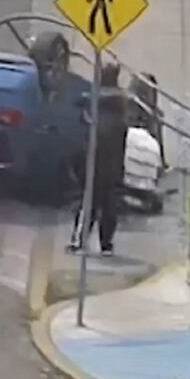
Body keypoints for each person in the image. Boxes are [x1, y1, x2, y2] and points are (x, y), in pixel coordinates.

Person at [70, 63, 128, 256]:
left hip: (93, 162)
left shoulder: (93, 103)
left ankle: (79, 242)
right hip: (113, 165)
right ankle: (106, 244)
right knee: (109, 206)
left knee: (88, 204)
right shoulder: (120, 107)